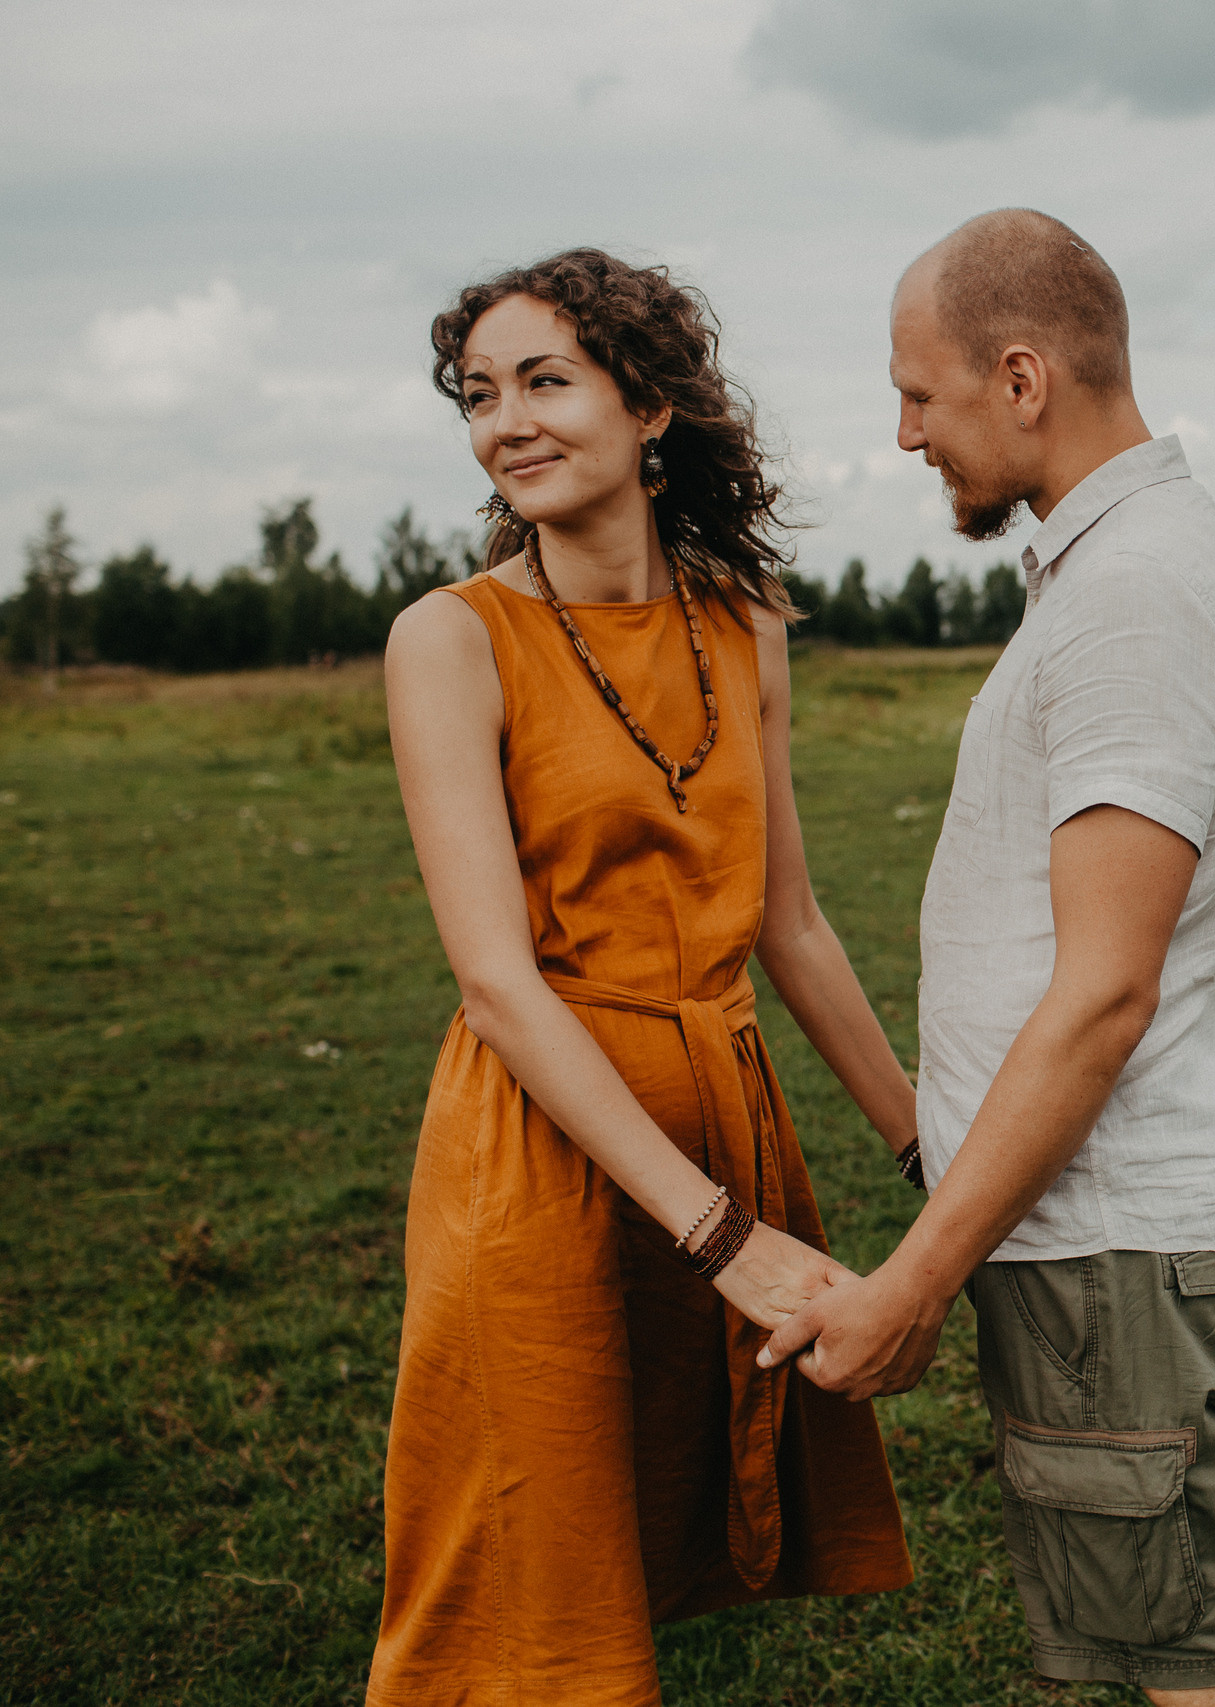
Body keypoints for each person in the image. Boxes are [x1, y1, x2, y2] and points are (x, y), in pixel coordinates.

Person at [760, 209, 1215, 1705]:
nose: (901, 433)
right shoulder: (1145, 563)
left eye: (920, 392)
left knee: (1200, 1660)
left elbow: (1104, 995)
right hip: (1142, 1241)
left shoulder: (1135, 595)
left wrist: (912, 1284)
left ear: (1022, 379)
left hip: (1115, 1252)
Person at [369, 249, 914, 1705]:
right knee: (520, 1599)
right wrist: (719, 1237)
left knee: (655, 1557)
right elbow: (497, 983)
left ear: (654, 405)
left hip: (727, 1122)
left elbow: (790, 923)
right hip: (546, 1168)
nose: (506, 423)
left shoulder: (742, 620)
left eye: (547, 380)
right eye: (480, 395)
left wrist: (929, 1142)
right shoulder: (451, 640)